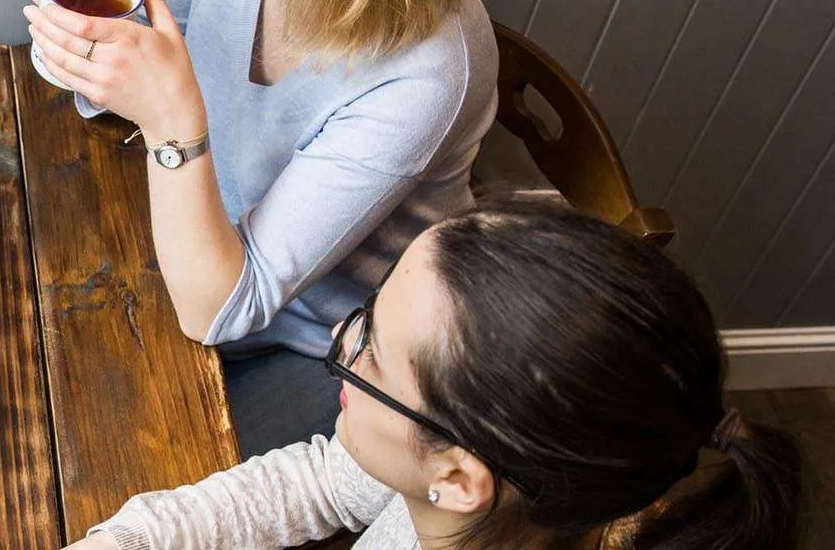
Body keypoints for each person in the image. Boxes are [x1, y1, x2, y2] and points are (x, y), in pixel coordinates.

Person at [19, 0, 499, 455]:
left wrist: (172, 124)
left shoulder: (424, 71)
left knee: (122, 457)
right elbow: (119, 82)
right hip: (197, 235)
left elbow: (216, 307)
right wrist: (73, 6)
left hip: (328, 346)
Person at [65, 199, 802, 549]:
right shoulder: (496, 491)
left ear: (457, 478)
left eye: (372, 352)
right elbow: (318, 482)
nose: (338, 341)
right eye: (368, 315)